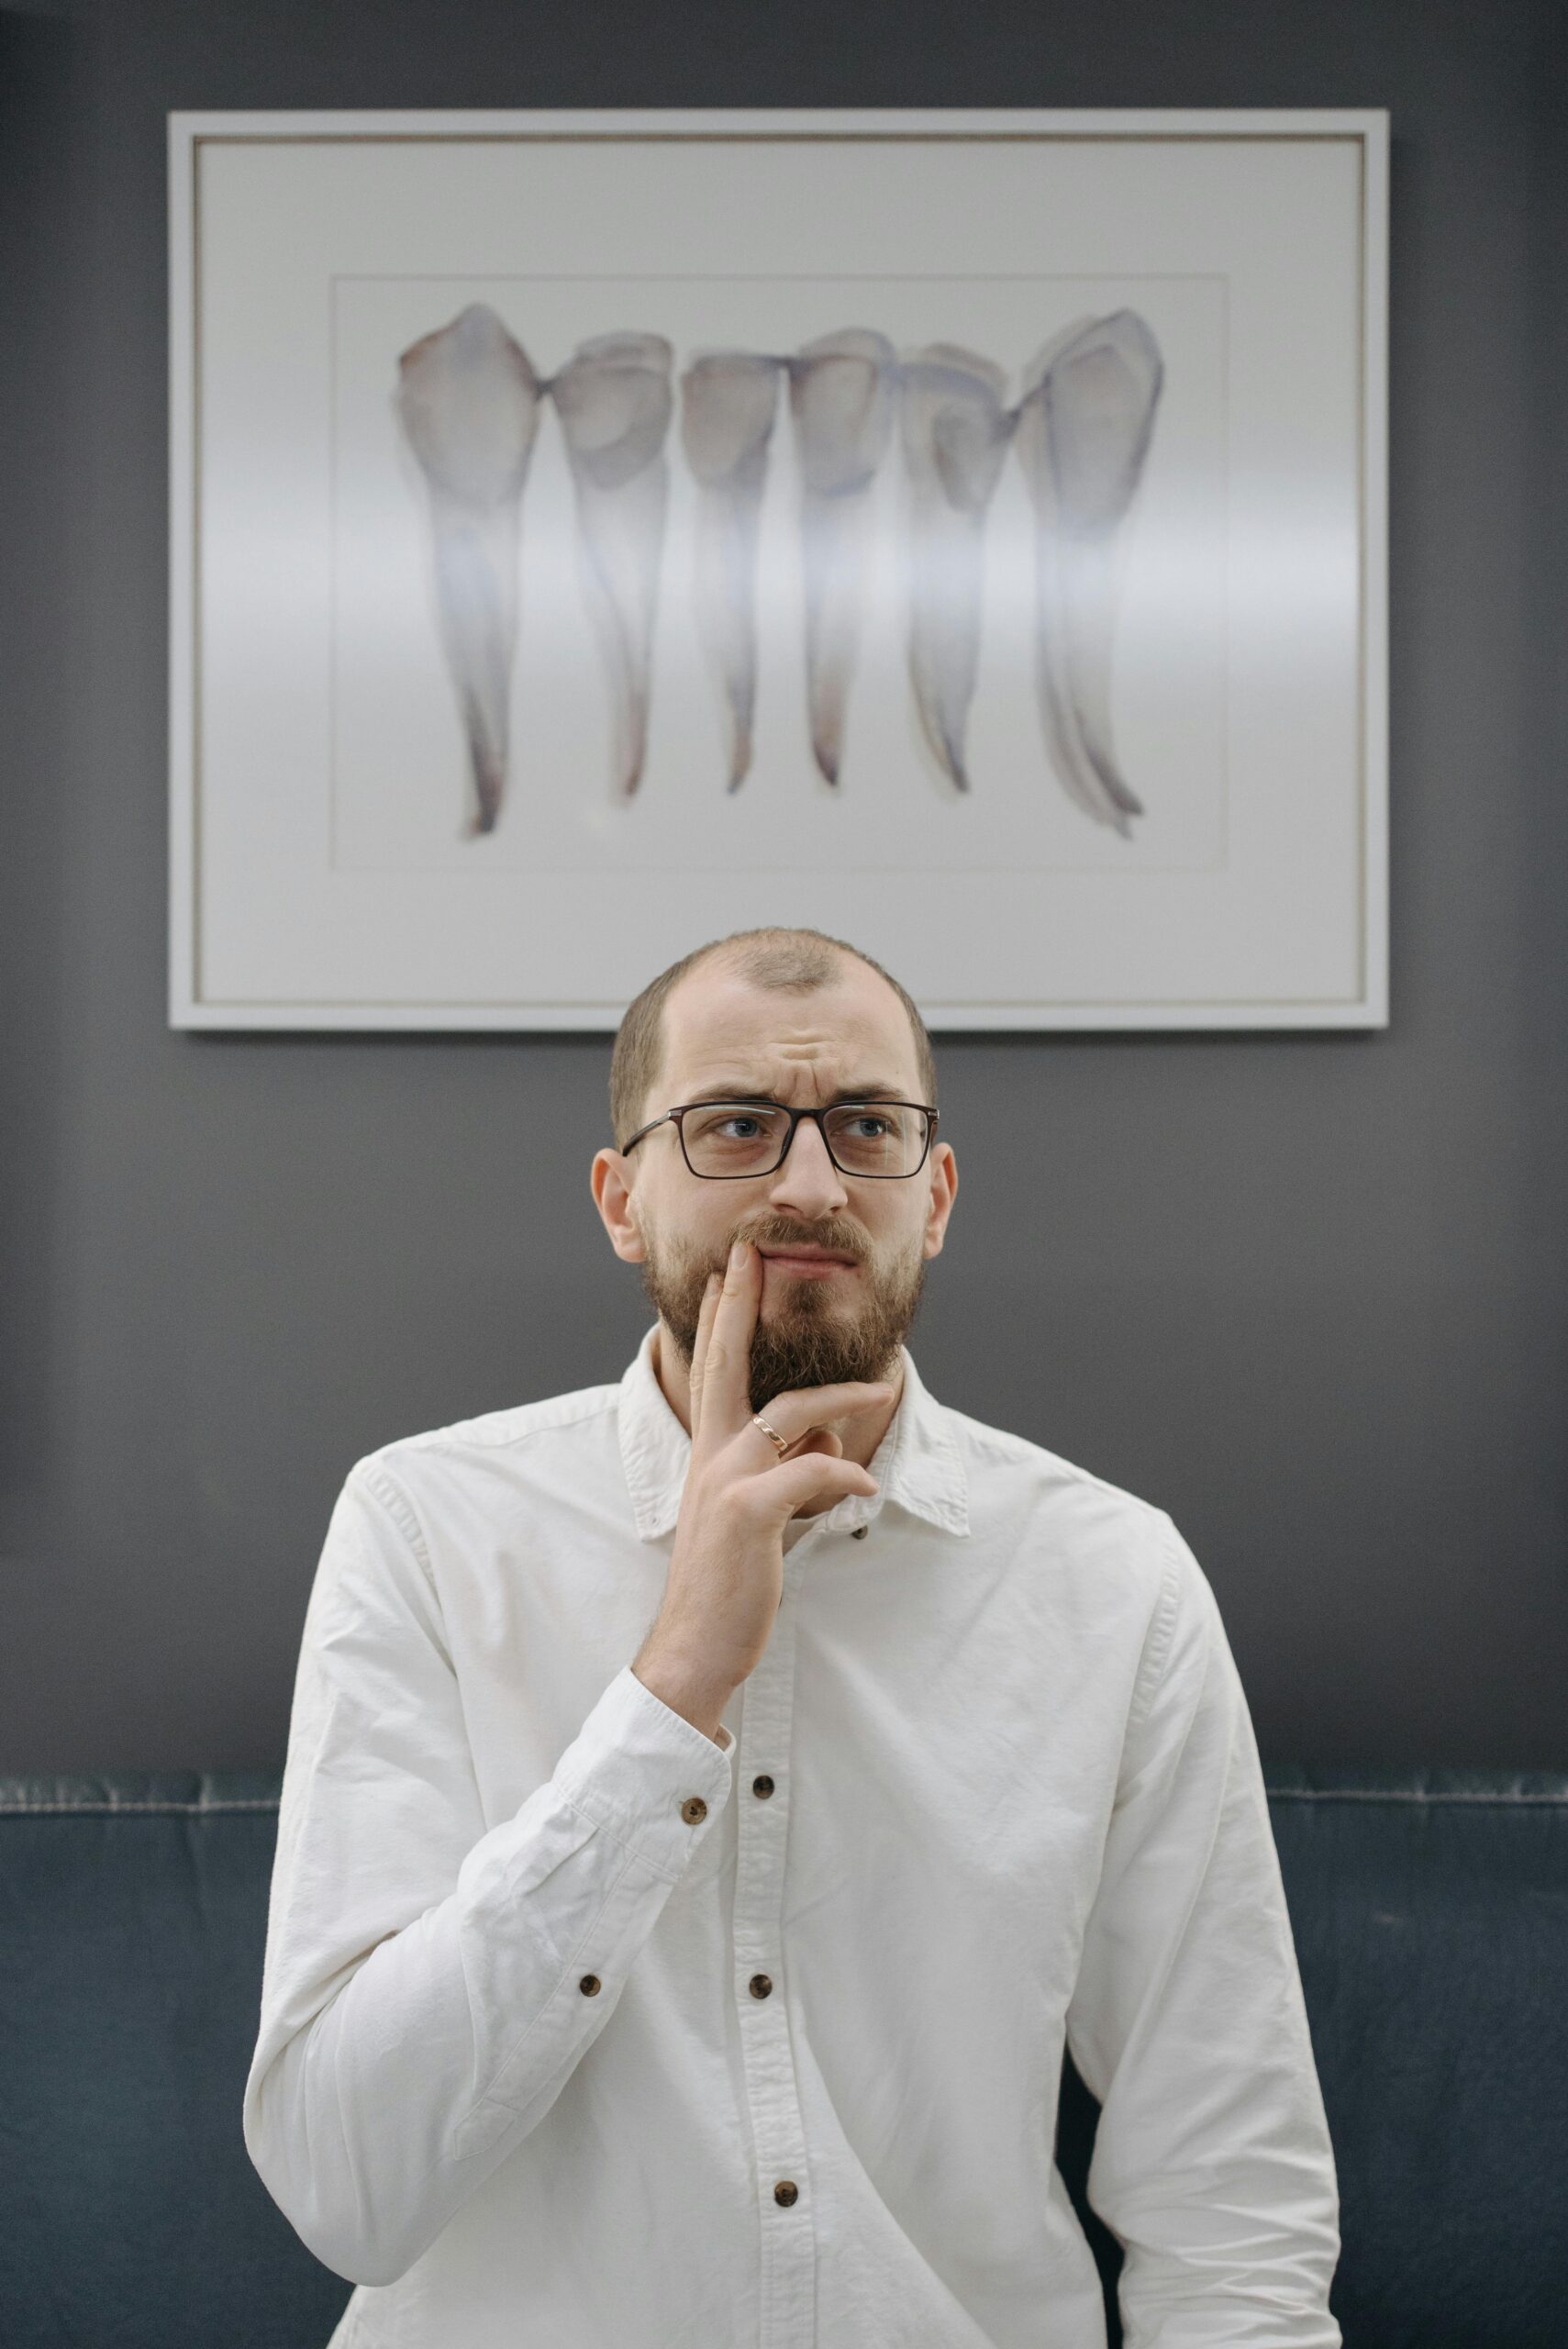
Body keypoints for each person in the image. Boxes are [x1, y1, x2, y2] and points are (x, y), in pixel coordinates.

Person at [243, 924, 1343, 2349]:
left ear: (933, 1197)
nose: (811, 1185)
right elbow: (345, 2185)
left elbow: (1228, 2202)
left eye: (868, 1127)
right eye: (735, 1125)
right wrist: (675, 1684)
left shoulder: (1112, 1581)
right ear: (621, 1201)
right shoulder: (426, 1528)